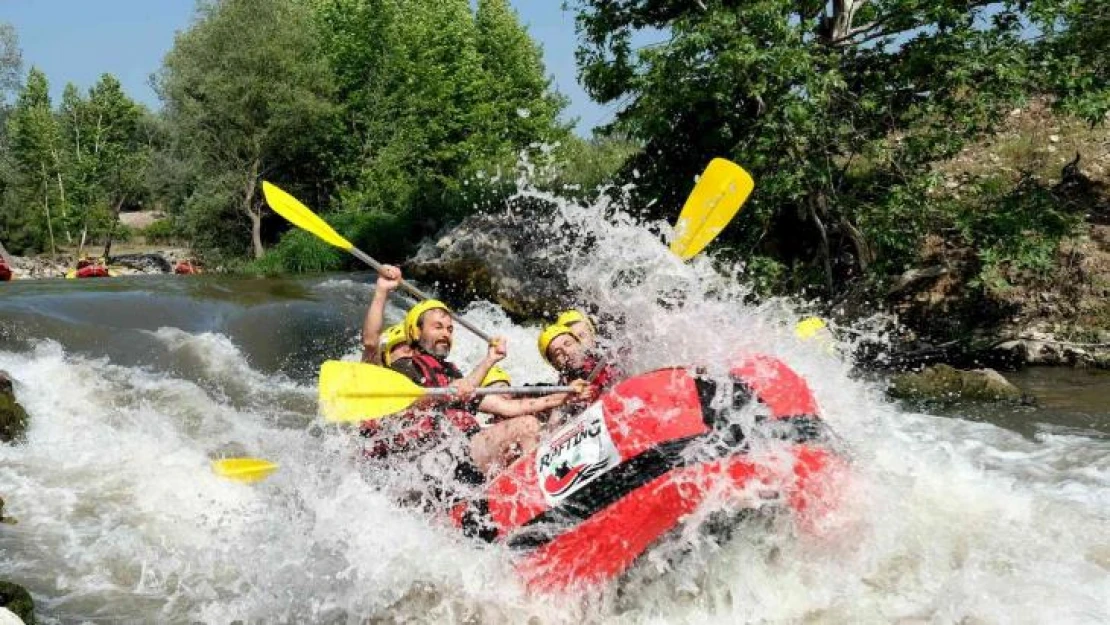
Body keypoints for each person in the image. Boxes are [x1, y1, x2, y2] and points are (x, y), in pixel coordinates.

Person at [369, 265, 588, 480]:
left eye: (449, 329)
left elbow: (508, 406)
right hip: (433, 460)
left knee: (524, 424)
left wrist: (566, 395)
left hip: (464, 448)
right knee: (526, 426)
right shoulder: (401, 370)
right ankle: (534, 492)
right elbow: (371, 344)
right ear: (416, 332)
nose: (446, 334)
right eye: (438, 327)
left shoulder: (449, 372)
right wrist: (381, 291)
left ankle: (536, 490)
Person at [537, 323, 621, 405]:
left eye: (568, 344)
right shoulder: (563, 389)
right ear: (554, 364)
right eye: (558, 353)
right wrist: (572, 400)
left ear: (578, 343)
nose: (566, 352)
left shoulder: (604, 358)